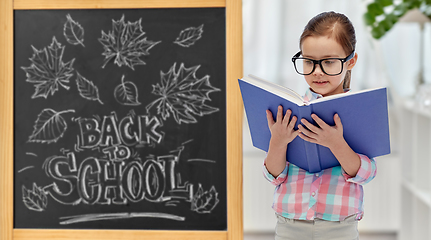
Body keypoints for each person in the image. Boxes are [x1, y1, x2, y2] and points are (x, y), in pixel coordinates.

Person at [263, 11, 377, 240]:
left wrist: (336, 143)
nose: (317, 71)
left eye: (328, 62)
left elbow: (367, 173)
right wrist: (278, 141)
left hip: (339, 226)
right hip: (289, 222)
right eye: (309, 62)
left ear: (351, 61)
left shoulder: (360, 110)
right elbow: (274, 175)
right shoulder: (290, 111)